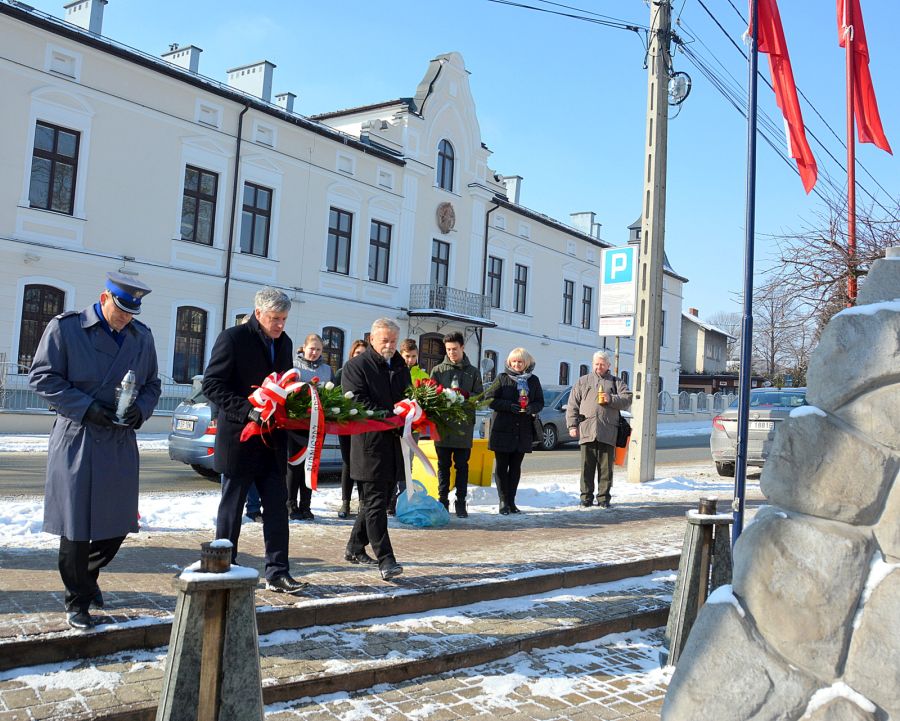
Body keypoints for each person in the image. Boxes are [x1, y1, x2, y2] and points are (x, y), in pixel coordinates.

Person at [29, 272, 161, 629]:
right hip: (79, 437)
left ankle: (85, 578)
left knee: (117, 525)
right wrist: (86, 407)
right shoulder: (66, 328)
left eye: (131, 313)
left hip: (118, 441)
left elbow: (152, 384)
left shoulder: (141, 336)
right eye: (120, 310)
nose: (125, 319)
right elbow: (42, 377)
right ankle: (77, 601)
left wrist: (141, 410)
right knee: (75, 526)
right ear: (105, 297)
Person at [203, 287, 304, 594]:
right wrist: (249, 410)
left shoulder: (284, 343)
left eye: (284, 319)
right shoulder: (233, 339)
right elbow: (212, 385)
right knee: (232, 509)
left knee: (277, 508)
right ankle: (224, 570)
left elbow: (284, 385)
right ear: (258, 313)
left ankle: (278, 572)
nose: (280, 325)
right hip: (240, 438)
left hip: (273, 441)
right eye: (275, 318)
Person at [340, 318, 409, 580]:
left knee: (377, 501)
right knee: (376, 503)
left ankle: (355, 547)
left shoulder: (400, 366)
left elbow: (407, 396)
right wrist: (391, 415)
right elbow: (356, 401)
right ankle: (386, 559)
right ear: (372, 339)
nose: (390, 346)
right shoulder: (356, 366)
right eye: (385, 341)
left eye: (393, 341)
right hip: (369, 445)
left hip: (394, 444)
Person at [565, 351, 633, 508]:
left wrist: (611, 399)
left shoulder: (616, 382)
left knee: (605, 469)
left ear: (608, 365)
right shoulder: (583, 381)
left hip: (607, 430)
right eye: (596, 364)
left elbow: (627, 398)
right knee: (586, 468)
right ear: (592, 364)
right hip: (587, 430)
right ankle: (586, 498)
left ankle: (603, 499)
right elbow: (572, 405)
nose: (599, 367)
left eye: (602, 364)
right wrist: (572, 425)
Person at [430, 331, 483, 518]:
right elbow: (431, 396)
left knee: (462, 466)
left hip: (463, 428)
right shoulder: (438, 370)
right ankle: (442, 500)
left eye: (454, 349)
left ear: (462, 348)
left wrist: (467, 395)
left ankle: (461, 501)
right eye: (448, 350)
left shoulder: (473, 372)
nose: (451, 353)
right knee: (443, 466)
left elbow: (480, 396)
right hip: (443, 427)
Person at [485, 347, 543, 515]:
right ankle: (503, 501)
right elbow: (490, 399)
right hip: (502, 428)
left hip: (523, 429)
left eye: (520, 362)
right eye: (514, 361)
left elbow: (540, 401)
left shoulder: (533, 380)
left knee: (515, 466)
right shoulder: (502, 378)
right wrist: (509, 406)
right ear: (509, 362)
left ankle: (512, 501)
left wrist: (531, 407)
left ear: (526, 363)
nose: (517, 364)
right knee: (502, 466)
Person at [285, 333, 334, 521]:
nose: (314, 352)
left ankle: (306, 505)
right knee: (294, 466)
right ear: (304, 348)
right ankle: (290, 504)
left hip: (316, 426)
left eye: (318, 349)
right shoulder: (294, 367)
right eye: (311, 348)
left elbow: (332, 394)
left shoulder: (327, 370)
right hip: (295, 425)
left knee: (311, 465)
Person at [334, 339, 368, 519]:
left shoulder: (370, 374)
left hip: (364, 426)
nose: (360, 357)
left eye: (363, 354)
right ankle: (345, 502)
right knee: (348, 462)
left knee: (362, 463)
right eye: (357, 353)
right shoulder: (342, 372)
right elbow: (333, 396)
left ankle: (363, 502)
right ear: (351, 355)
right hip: (346, 423)